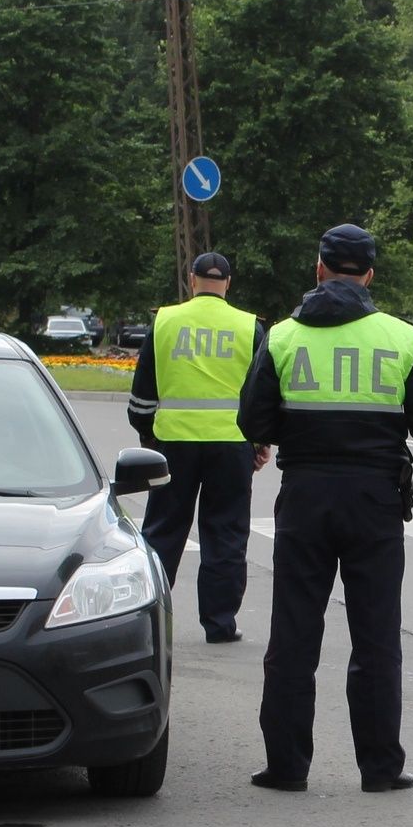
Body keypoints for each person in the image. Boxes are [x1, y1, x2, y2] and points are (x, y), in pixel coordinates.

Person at [237, 224, 413, 792]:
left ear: (318, 270)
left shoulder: (284, 337)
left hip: (305, 498)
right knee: (377, 637)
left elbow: (253, 421)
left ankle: (286, 767)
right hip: (376, 503)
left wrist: (292, 432)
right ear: (370, 276)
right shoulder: (403, 339)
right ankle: (380, 768)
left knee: (293, 635)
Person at [130, 253, 270, 643]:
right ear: (228, 283)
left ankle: (148, 621)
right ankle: (220, 623)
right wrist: (259, 441)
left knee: (162, 532)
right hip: (230, 446)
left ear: (192, 280)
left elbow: (142, 395)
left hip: (173, 444)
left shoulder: (165, 321)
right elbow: (261, 394)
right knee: (225, 533)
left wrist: (148, 437)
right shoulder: (250, 327)